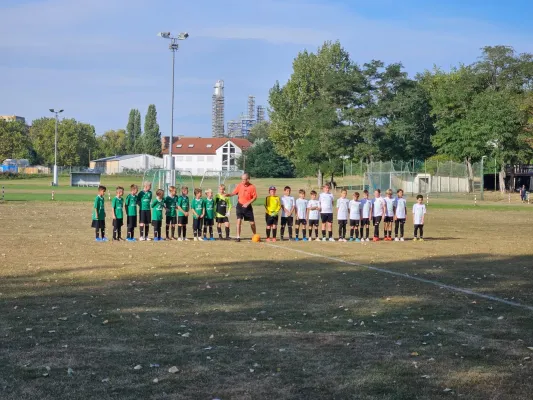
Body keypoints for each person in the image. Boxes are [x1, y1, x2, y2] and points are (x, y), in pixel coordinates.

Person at [231, 173, 258, 242]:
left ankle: (255, 235)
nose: (242, 181)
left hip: (248, 207)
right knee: (239, 220)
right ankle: (238, 237)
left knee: (252, 223)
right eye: (242, 179)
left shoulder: (252, 187)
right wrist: (228, 195)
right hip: (239, 206)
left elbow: (255, 197)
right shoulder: (239, 185)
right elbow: (233, 193)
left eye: (244, 179)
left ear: (248, 179)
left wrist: (248, 203)